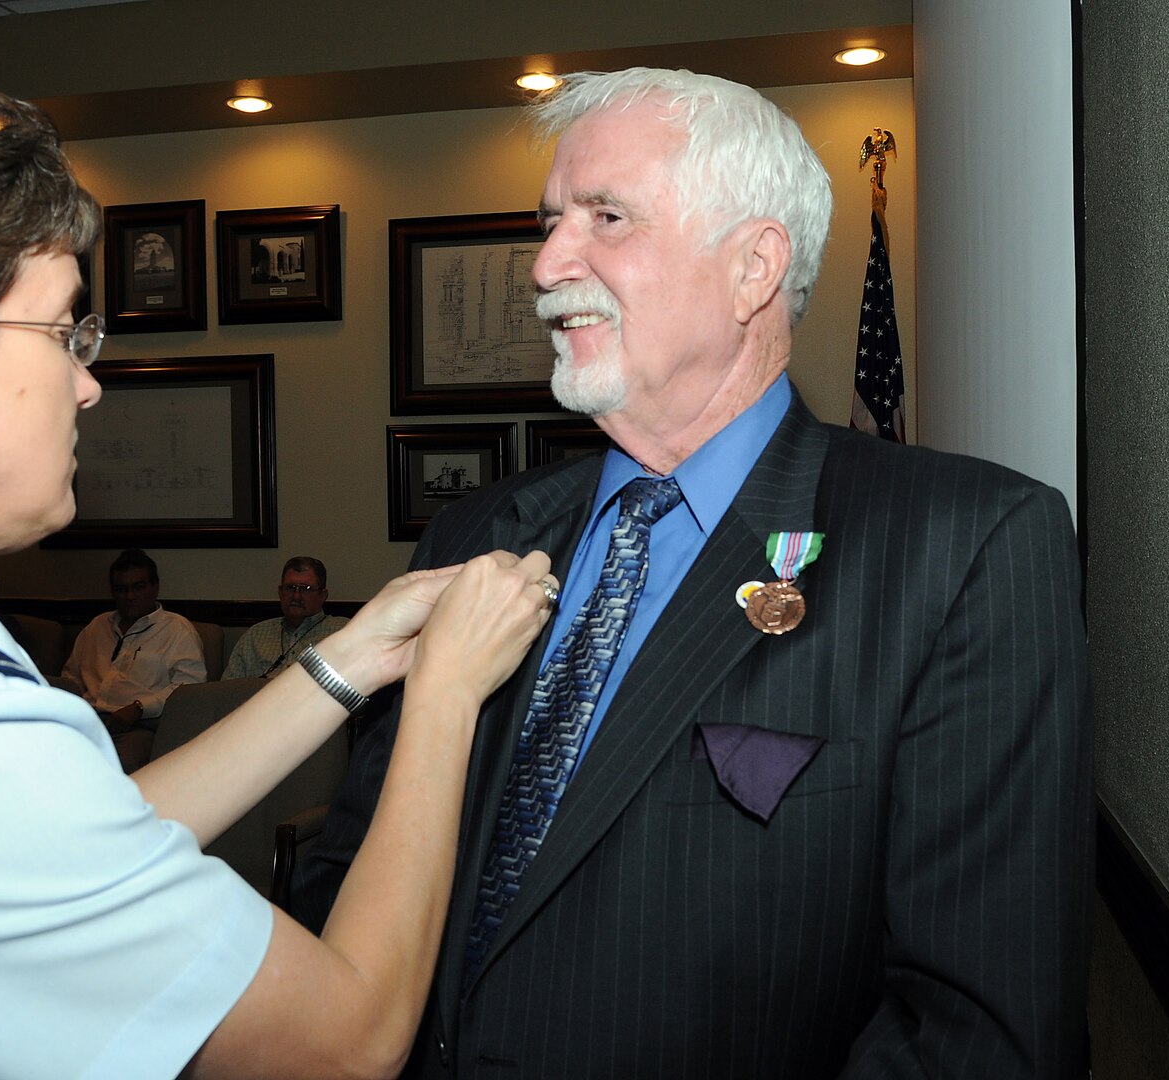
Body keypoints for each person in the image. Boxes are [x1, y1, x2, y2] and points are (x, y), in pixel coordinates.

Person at [0, 59, 557, 1079]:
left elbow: (74, 845)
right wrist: (447, 693)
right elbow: (343, 1043)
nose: (88, 385)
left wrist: (348, 661)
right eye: (62, 332)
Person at [292, 67, 1093, 1077]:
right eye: (547, 222)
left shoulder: (960, 548)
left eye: (605, 218)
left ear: (753, 267)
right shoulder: (477, 532)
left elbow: (975, 1031)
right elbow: (347, 866)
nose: (543, 264)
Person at [56, 548, 206, 763]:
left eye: (139, 587)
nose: (130, 596)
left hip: (140, 726)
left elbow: (189, 688)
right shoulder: (97, 627)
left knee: (119, 768)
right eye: (121, 589)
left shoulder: (176, 629)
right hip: (88, 720)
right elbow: (70, 679)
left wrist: (138, 708)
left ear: (155, 587)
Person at [223, 555, 350, 679]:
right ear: (280, 592)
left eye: (306, 589)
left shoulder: (343, 632)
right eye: (290, 588)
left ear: (323, 595)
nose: (296, 596)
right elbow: (226, 690)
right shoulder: (255, 636)